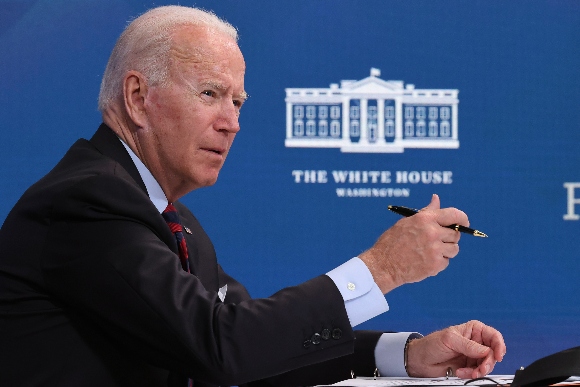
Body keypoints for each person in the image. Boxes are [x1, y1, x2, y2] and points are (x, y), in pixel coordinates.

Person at [0, 5, 505, 387]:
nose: (232, 123)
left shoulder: (176, 224)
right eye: (209, 94)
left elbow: (259, 345)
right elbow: (223, 346)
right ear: (138, 98)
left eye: (238, 101)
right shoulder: (87, 203)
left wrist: (406, 354)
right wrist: (384, 268)